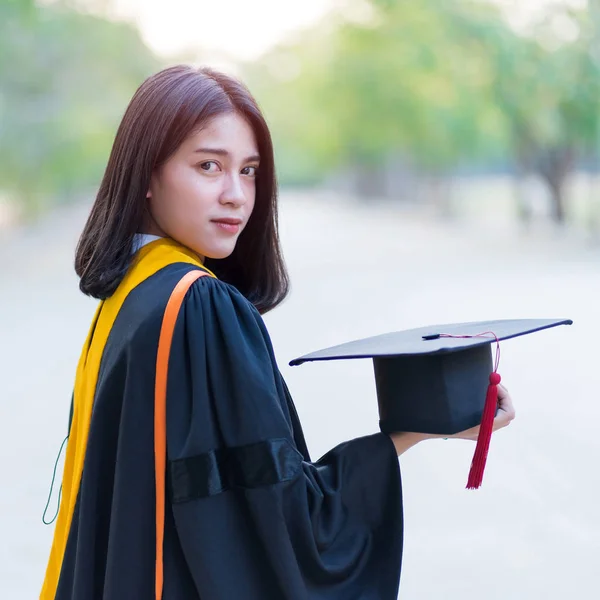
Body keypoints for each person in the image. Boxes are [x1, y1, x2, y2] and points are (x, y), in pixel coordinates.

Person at [40, 65, 515, 600]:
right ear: (147, 175)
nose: (236, 195)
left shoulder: (132, 292)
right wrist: (416, 429)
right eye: (208, 166)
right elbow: (276, 521)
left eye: (248, 171)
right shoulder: (198, 305)